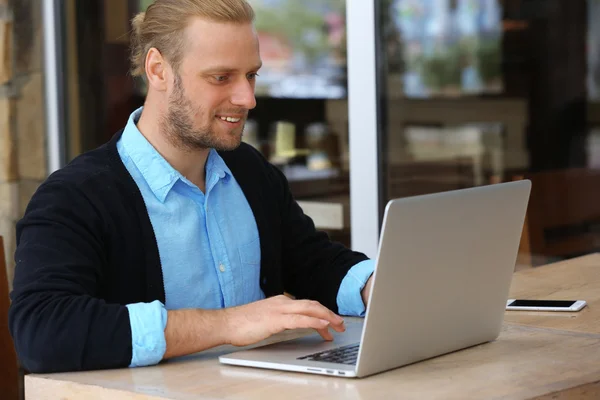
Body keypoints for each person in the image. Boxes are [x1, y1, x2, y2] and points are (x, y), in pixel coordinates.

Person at [9, 0, 374, 373]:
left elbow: (313, 263)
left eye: (251, 75)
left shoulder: (248, 171)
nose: (247, 99)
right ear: (158, 70)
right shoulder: (75, 197)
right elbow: (41, 331)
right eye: (221, 77)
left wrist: (377, 287)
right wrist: (228, 324)